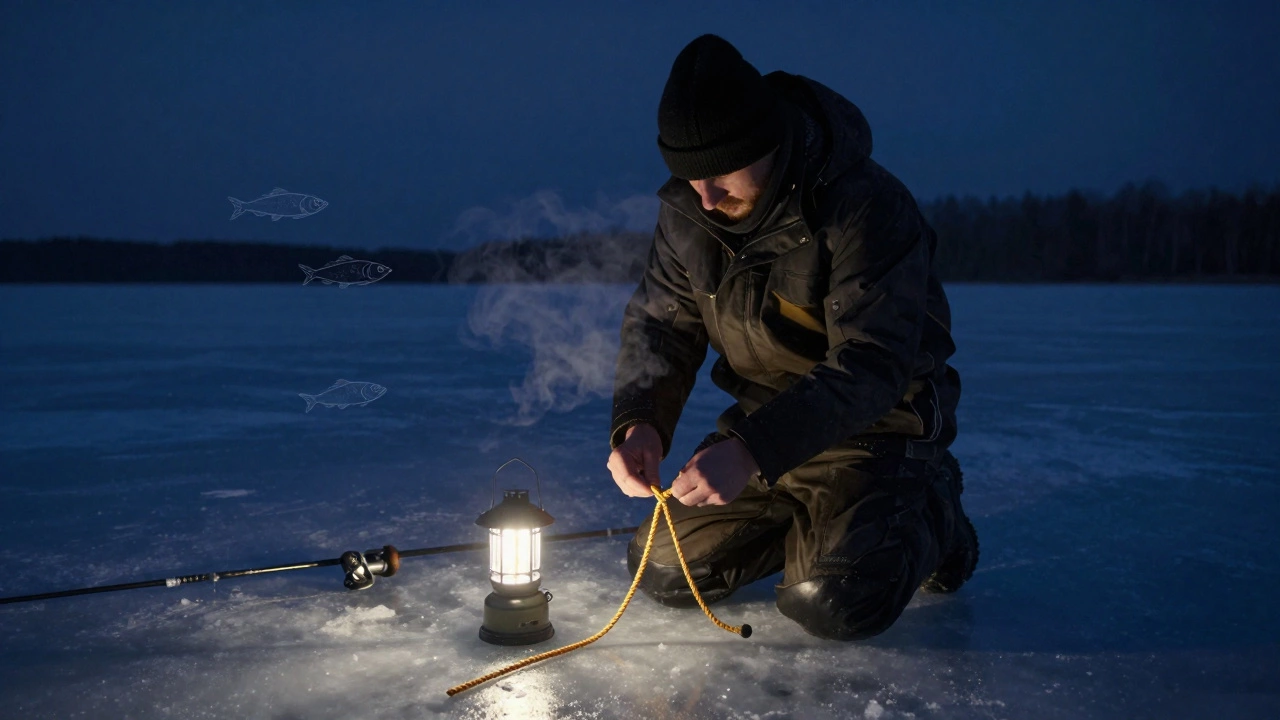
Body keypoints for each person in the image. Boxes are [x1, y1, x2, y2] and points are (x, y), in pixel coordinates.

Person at [605, 34, 978, 640]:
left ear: (767, 142)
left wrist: (750, 451)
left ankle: (933, 507)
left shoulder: (864, 208)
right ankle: (813, 522)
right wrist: (640, 421)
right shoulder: (690, 214)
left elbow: (873, 362)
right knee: (664, 571)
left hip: (878, 431)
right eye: (687, 175)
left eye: (721, 171)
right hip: (766, 429)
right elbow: (661, 326)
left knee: (832, 599)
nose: (705, 195)